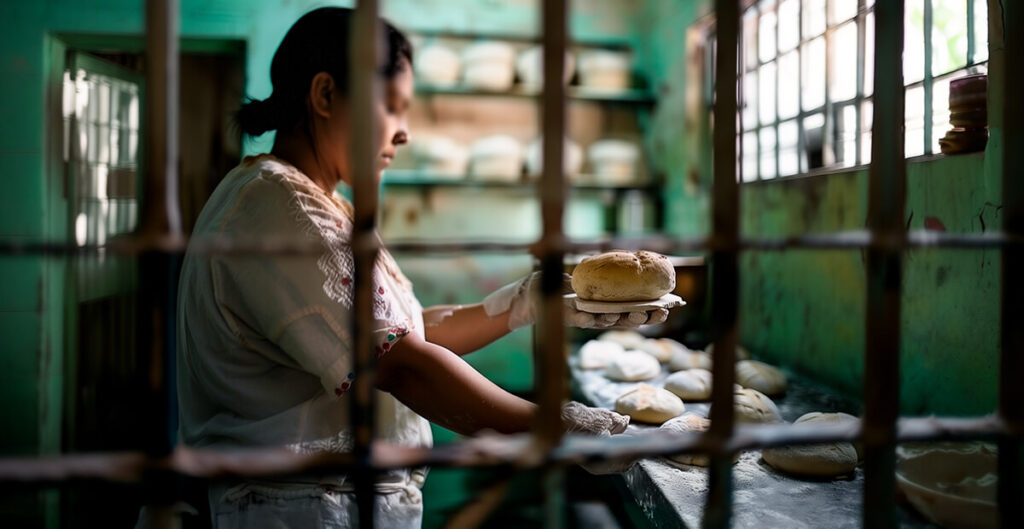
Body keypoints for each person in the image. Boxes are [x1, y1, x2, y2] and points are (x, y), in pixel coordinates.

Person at [175, 7, 666, 528]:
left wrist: (519, 303)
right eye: (392, 107)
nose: (404, 132)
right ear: (324, 96)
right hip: (297, 509)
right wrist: (559, 427)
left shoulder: (316, 204)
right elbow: (402, 363)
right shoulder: (282, 210)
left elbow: (394, 336)